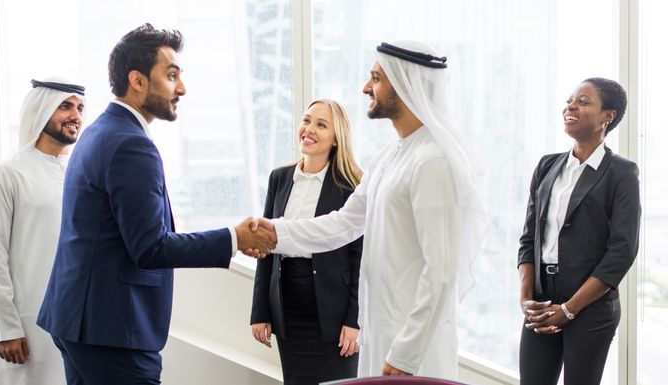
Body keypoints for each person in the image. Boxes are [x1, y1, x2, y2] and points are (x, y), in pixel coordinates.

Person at [36, 24, 275, 384]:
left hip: (81, 321)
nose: (181, 88)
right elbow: (149, 247)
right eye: (172, 75)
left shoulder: (99, 131)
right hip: (111, 332)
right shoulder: (131, 145)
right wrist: (235, 238)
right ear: (138, 80)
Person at [251, 41, 486, 379]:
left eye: (376, 78)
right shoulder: (390, 157)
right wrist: (275, 233)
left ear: (406, 85)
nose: (365, 88)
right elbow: (343, 224)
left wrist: (407, 352)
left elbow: (442, 271)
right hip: (380, 332)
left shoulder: (433, 162)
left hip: (412, 348)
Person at [517, 78, 640, 385]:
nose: (570, 106)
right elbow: (529, 238)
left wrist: (570, 310)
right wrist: (526, 299)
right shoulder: (547, 166)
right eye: (569, 100)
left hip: (591, 308)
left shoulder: (622, 173)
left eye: (583, 102)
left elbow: (621, 252)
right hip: (542, 303)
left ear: (607, 116)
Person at [250, 99, 364, 385]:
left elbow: (361, 261)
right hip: (288, 310)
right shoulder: (280, 177)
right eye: (306, 120)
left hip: (334, 315)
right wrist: (260, 311)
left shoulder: (351, 187)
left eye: (321, 124)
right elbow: (266, 247)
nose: (309, 129)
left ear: (337, 138)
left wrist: (355, 321)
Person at [0, 78, 86, 385]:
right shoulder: (8, 173)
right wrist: (7, 329)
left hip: (76, 326)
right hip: (27, 327)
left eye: (80, 108)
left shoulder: (81, 174)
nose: (76, 115)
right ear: (41, 110)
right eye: (65, 106)